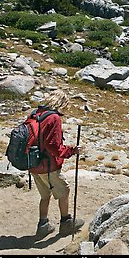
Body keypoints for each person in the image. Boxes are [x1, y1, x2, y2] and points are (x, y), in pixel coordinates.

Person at [29, 89, 85, 238]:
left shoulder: (36, 114)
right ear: (61, 103)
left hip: (33, 164)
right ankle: (66, 223)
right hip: (48, 166)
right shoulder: (53, 118)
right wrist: (71, 151)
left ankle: (43, 225)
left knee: (45, 195)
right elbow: (53, 145)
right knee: (64, 191)